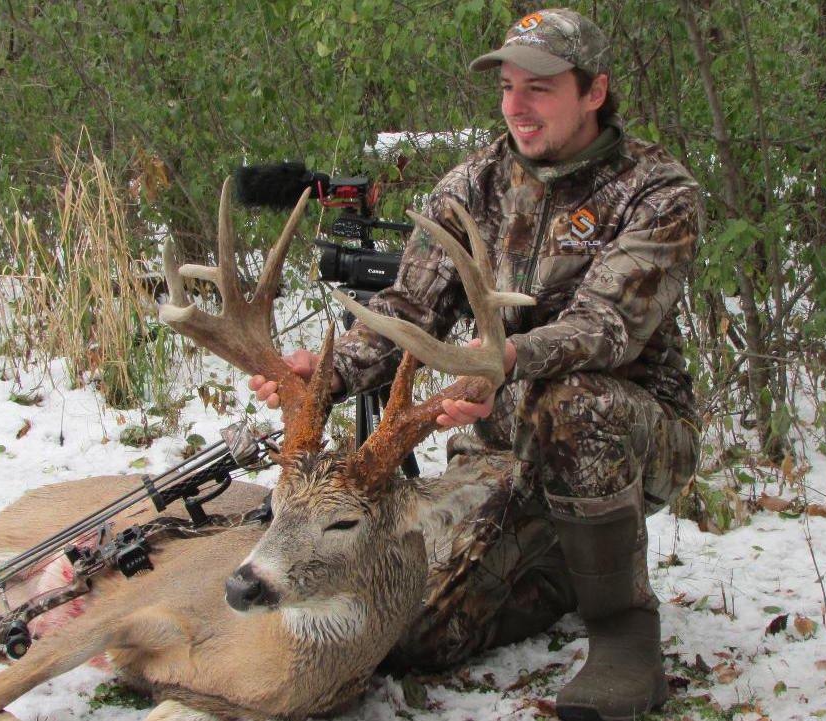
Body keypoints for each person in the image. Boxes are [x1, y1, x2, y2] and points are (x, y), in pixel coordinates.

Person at [251, 8, 700, 720]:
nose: (517, 106)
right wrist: (327, 377)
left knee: (574, 398)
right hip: (496, 445)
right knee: (413, 628)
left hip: (626, 435)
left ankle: (621, 628)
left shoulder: (657, 191)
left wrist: (504, 362)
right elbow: (411, 310)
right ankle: (556, 558)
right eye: (509, 87)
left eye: (541, 88)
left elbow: (608, 326)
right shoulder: (472, 186)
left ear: (595, 92)